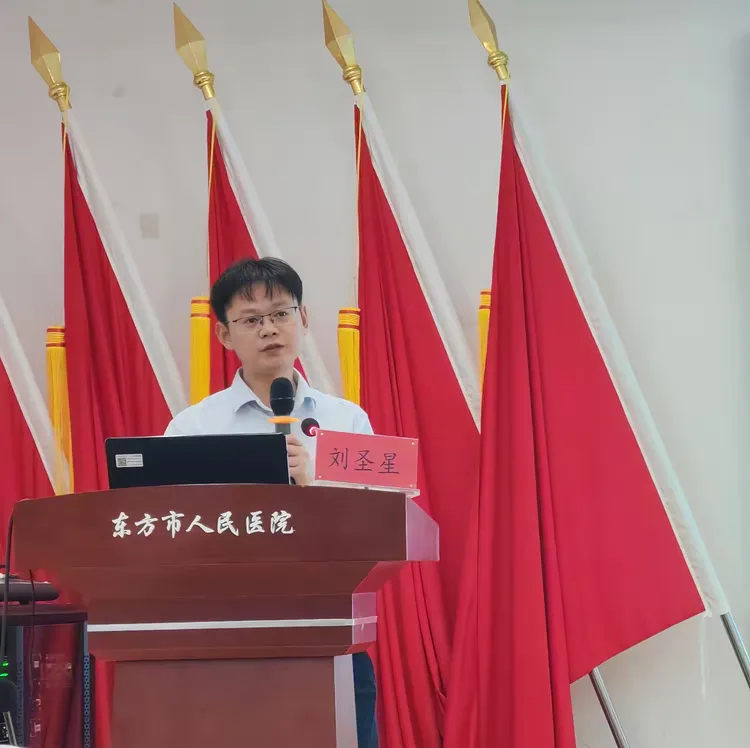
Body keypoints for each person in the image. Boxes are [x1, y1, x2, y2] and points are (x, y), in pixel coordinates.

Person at [165, 257, 378, 748]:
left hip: (329, 635)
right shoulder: (193, 427)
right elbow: (166, 532)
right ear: (224, 335)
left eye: (281, 313)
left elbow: (383, 525)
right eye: (251, 320)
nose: (270, 330)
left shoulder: (347, 422)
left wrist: (317, 484)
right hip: (225, 642)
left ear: (303, 319)